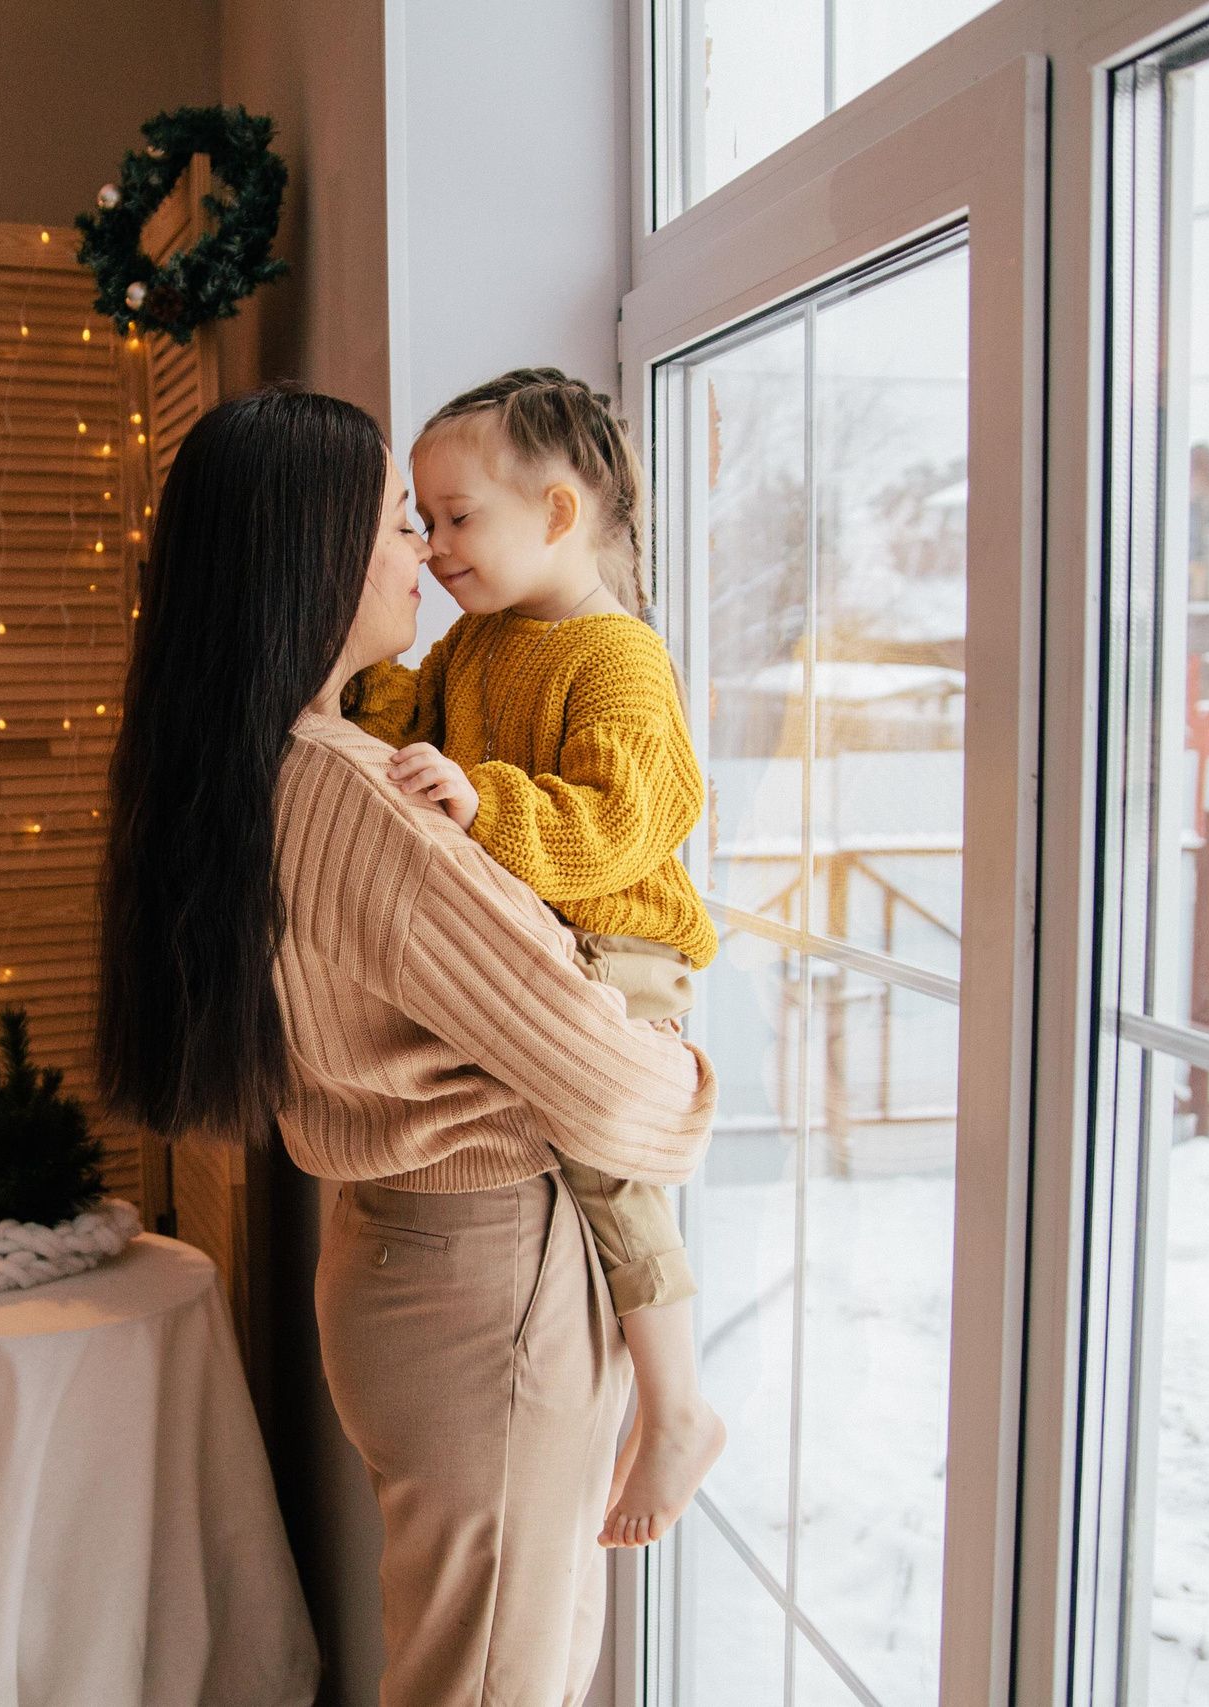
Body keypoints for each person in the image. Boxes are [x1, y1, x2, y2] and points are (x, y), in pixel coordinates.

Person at [97, 384, 718, 1706]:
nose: (427, 554)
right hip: (489, 1275)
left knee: (486, 1657)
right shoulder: (348, 792)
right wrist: (686, 1069)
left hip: (398, 1259)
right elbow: (607, 1078)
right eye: (397, 522)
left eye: (440, 519)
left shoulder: (262, 760)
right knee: (501, 1677)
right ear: (313, 556)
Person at [339, 368, 727, 1549]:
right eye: (422, 518)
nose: (437, 544)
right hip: (557, 940)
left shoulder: (616, 655)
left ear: (557, 514)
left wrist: (483, 799)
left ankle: (676, 1406)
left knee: (606, 1154)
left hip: (626, 940)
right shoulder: (476, 646)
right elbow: (404, 733)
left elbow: (629, 818)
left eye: (458, 518)